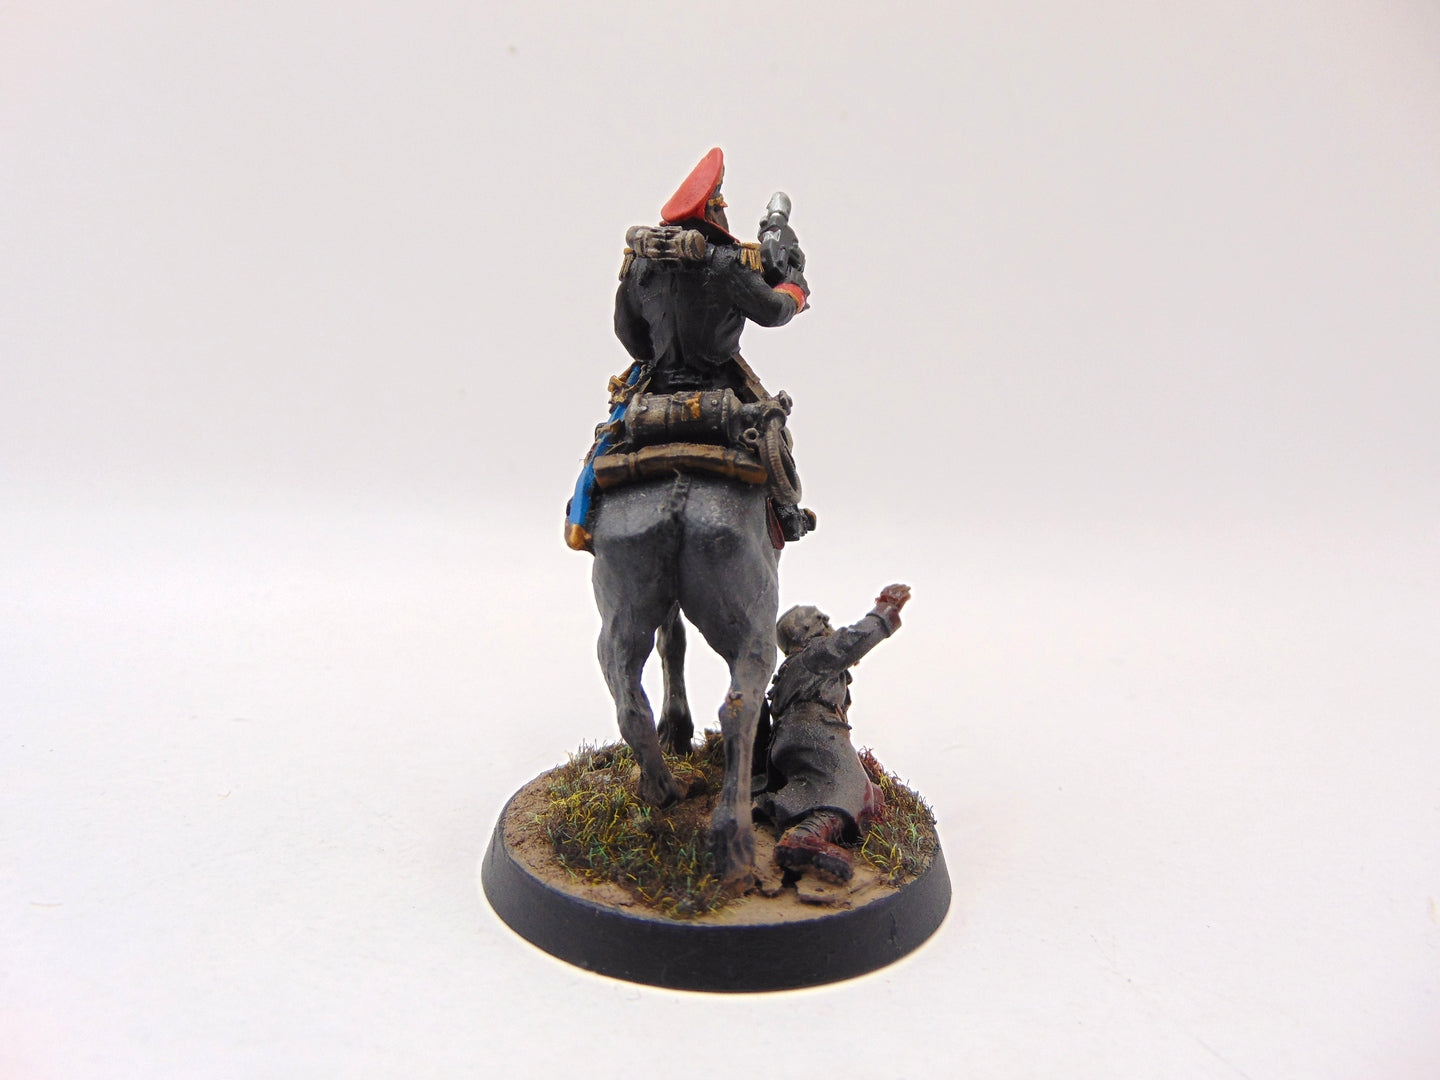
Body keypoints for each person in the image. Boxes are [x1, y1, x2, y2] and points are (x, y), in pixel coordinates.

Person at [755, 584, 912, 884]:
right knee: (848, 784)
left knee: (870, 793)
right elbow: (852, 640)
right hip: (815, 732)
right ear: (805, 631)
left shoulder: (791, 668)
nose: (828, 623)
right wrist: (886, 608)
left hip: (793, 741)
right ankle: (805, 837)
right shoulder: (816, 654)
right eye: (821, 620)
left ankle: (824, 828)